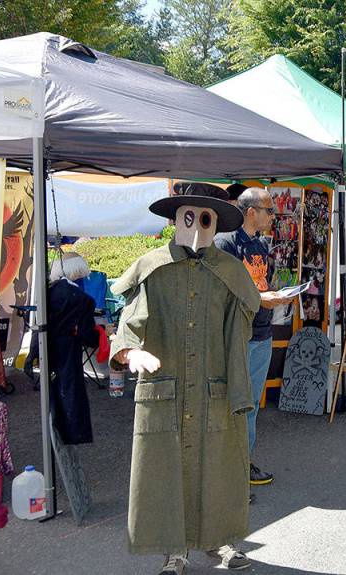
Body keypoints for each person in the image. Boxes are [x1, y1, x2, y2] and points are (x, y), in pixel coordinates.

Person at [112, 182, 258, 574]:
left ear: (215, 223)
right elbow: (130, 319)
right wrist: (130, 351)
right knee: (165, 471)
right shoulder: (151, 267)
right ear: (175, 218)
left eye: (205, 218)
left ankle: (218, 541)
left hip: (216, 388)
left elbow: (241, 323)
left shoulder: (229, 271)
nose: (196, 226)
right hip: (167, 388)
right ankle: (173, 551)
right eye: (188, 216)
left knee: (218, 467)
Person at [215, 186, 293, 488]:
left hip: (260, 331)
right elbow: (228, 290)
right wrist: (263, 298)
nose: (273, 215)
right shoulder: (226, 244)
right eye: (268, 210)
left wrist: (274, 296)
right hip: (238, 333)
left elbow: (259, 284)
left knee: (250, 403)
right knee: (235, 402)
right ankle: (231, 466)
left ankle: (242, 462)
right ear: (251, 212)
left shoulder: (260, 245)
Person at [47, 252, 100, 445]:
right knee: (71, 389)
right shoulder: (82, 299)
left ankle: (57, 429)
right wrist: (101, 334)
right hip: (70, 347)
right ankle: (74, 434)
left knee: (56, 388)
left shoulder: (49, 292)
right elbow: (87, 335)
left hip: (50, 346)